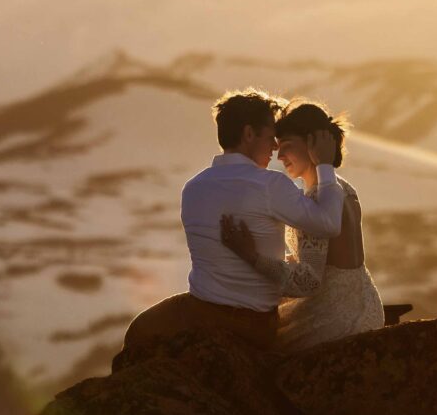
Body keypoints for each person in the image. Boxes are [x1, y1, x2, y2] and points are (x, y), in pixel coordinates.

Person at [119, 88, 345, 352]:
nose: (275, 146)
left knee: (139, 331)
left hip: (200, 311)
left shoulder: (193, 187)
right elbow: (328, 223)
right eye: (270, 136)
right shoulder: (270, 185)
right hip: (253, 323)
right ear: (249, 134)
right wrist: (325, 166)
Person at [220, 100, 384, 351]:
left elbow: (307, 282)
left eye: (286, 146)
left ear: (313, 145)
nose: (279, 154)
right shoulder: (342, 188)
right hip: (367, 304)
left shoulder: (317, 201)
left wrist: (252, 256)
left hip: (334, 317)